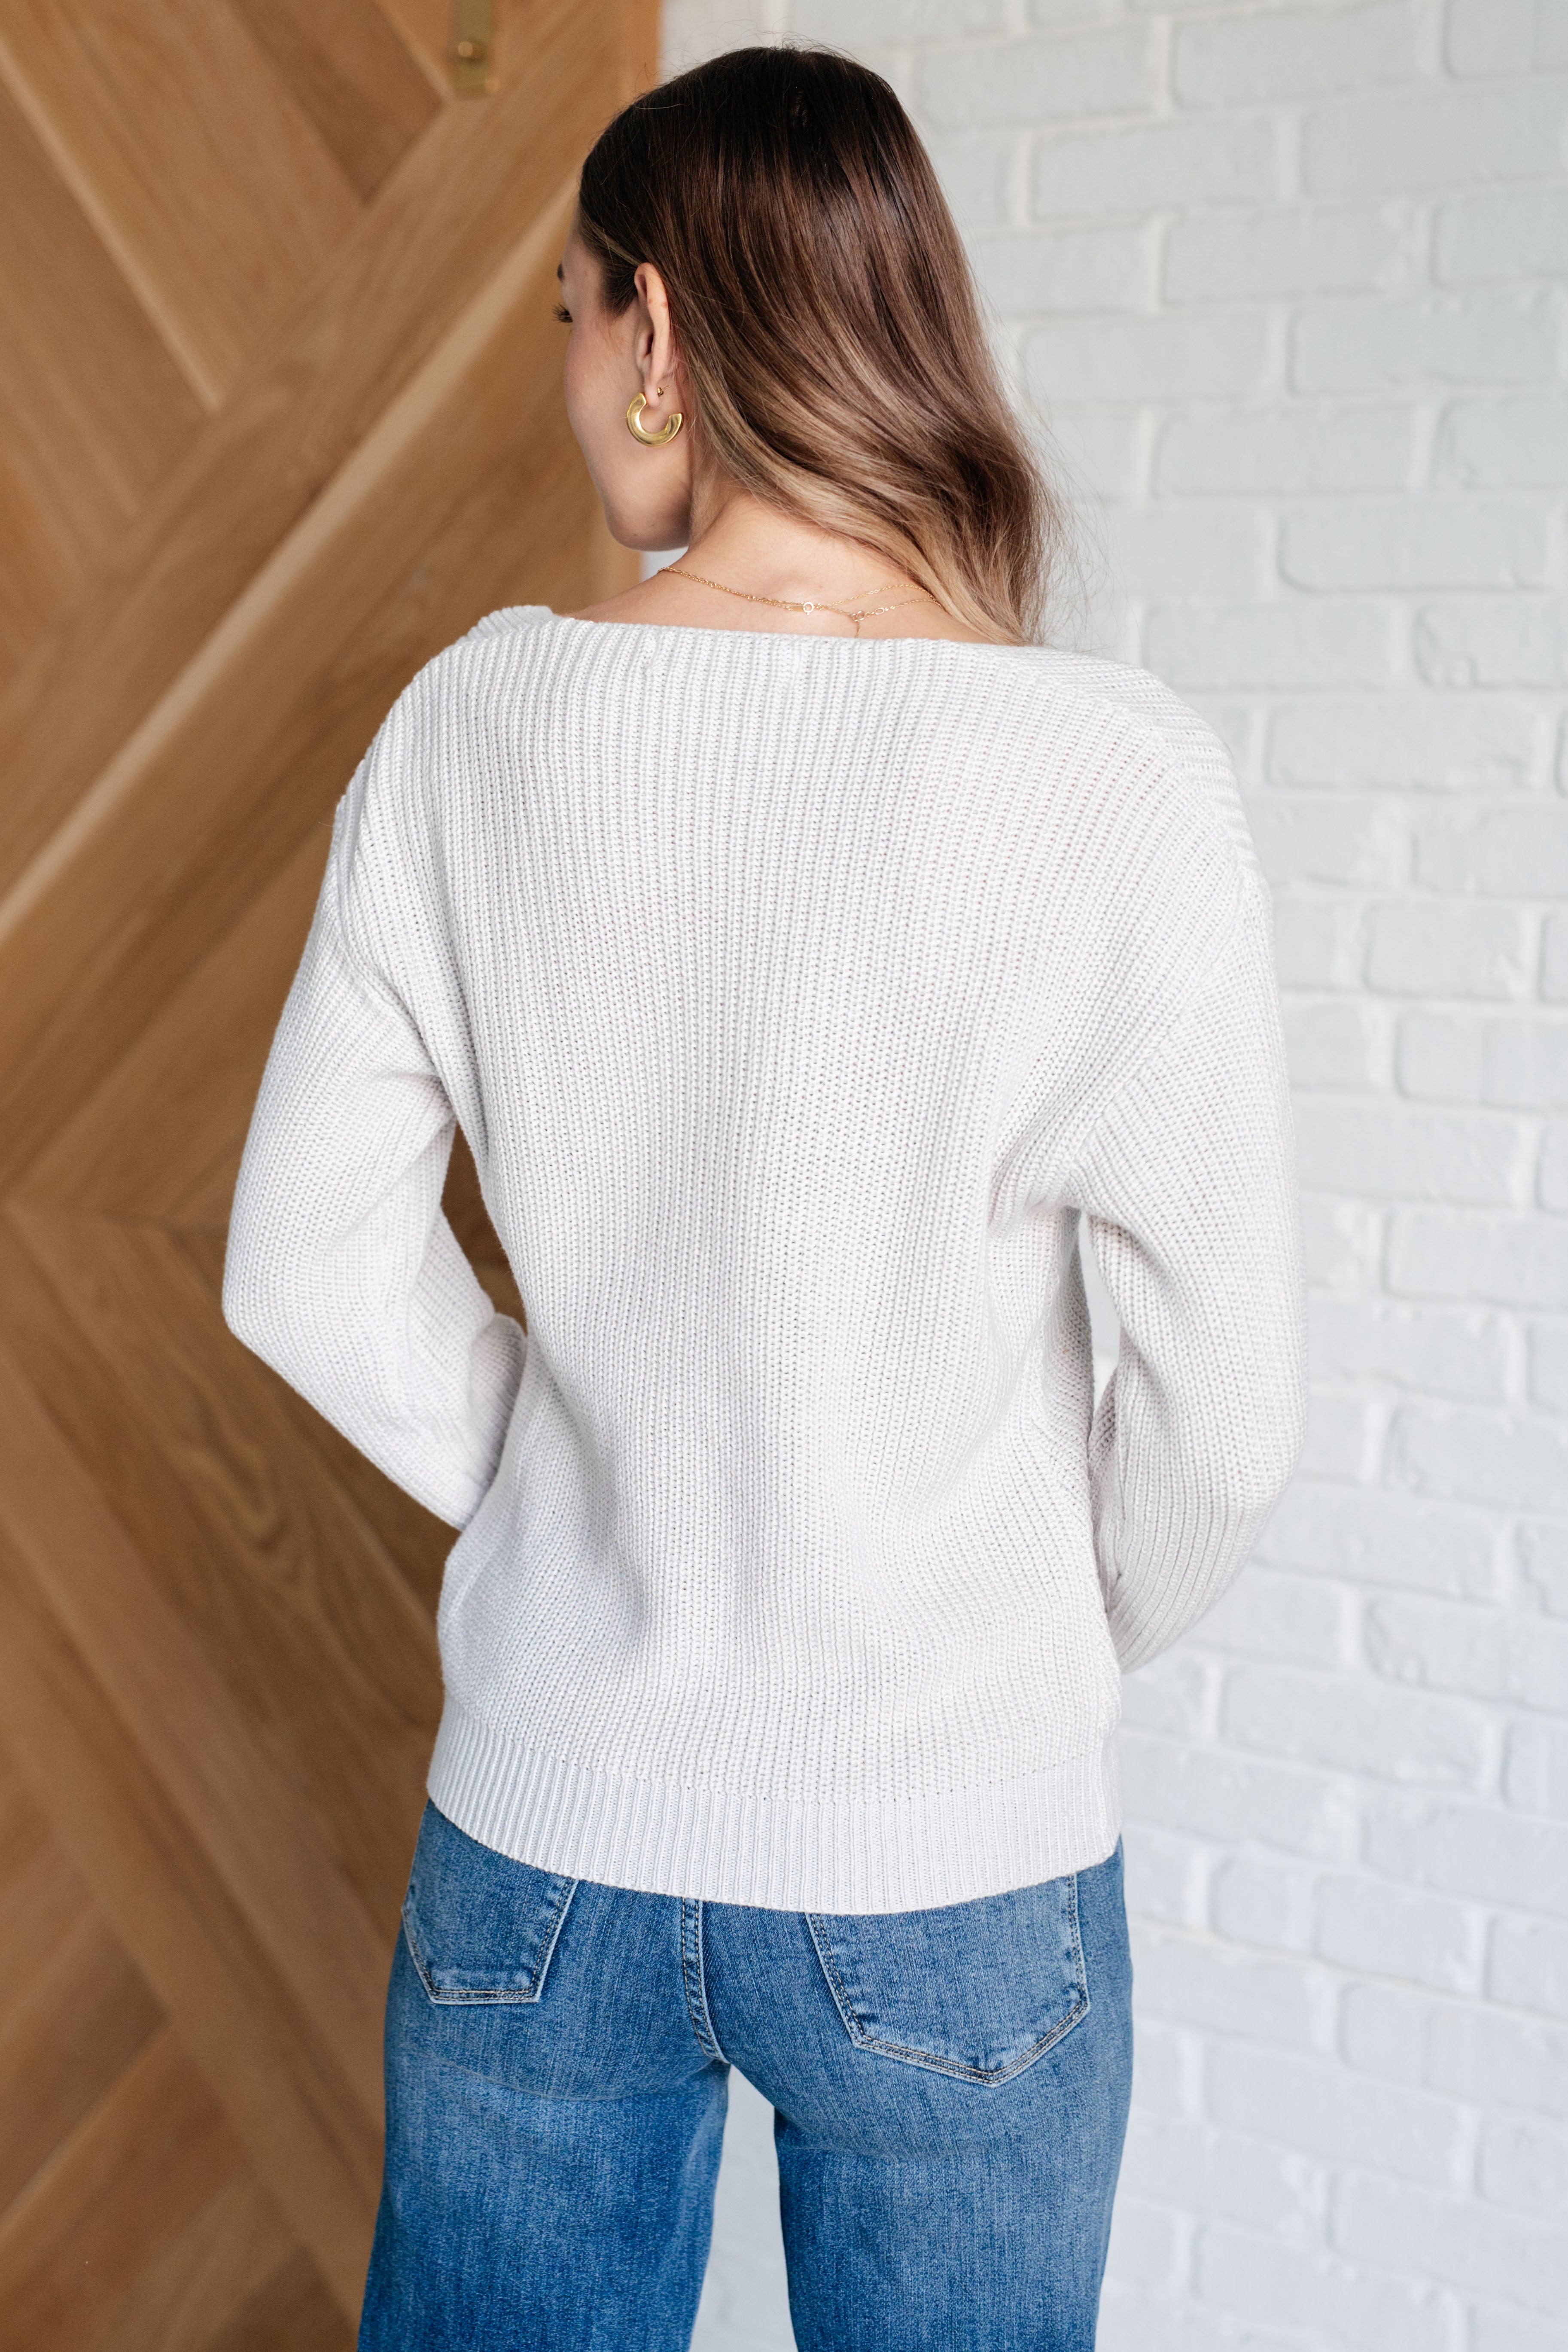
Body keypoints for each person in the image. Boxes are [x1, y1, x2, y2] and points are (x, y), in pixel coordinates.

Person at [223, 43, 1307, 2352]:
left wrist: (551, 1494)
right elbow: (1220, 1416)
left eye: (566, 318)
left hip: (548, 1828)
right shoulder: (1113, 778)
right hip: (957, 1850)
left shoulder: (473, 728)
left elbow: (301, 1268)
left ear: (659, 336)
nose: (569, 375)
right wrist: (987, 1639)